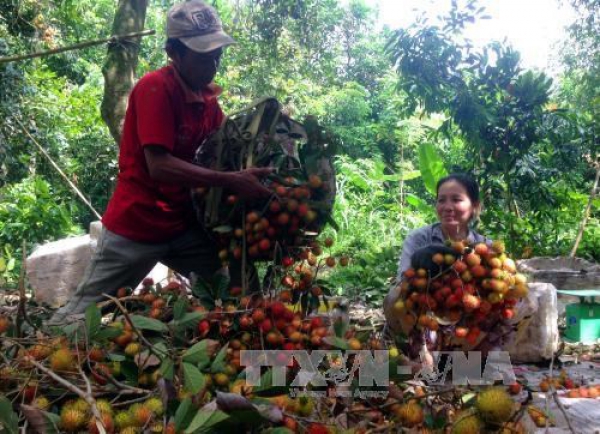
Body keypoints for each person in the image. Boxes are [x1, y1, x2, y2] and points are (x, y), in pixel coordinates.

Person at [49, 0, 271, 324]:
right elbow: (160, 166)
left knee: (238, 290)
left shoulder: (208, 103)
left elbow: (227, 151)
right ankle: (41, 343)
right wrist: (232, 181)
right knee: (80, 317)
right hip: (136, 225)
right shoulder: (155, 88)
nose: (213, 62)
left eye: (217, 53)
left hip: (184, 226)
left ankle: (253, 345)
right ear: (174, 52)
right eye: (203, 54)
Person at [383, 173, 513, 361]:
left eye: (457, 199)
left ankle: (470, 355)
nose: (447, 207)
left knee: (521, 299)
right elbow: (402, 283)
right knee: (395, 297)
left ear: (475, 206)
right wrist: (422, 263)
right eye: (441, 200)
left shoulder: (485, 248)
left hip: (463, 323)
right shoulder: (419, 239)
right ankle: (419, 354)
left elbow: (498, 292)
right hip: (425, 320)